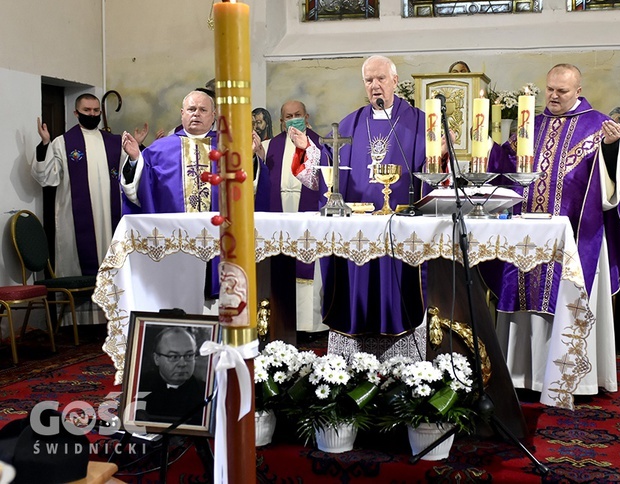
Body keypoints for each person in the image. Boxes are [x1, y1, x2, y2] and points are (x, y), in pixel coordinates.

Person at [485, 63, 620, 396]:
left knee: (566, 299)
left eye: (562, 91)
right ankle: (522, 376)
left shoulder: (599, 124)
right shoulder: (532, 124)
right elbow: (503, 165)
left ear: (578, 91)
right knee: (523, 298)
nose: (554, 96)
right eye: (550, 89)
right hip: (526, 236)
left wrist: (613, 147)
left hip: (577, 235)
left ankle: (571, 379)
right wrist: (484, 145)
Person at [289, 55, 429, 337]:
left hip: (400, 227)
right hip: (358, 228)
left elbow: (434, 170)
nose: (375, 86)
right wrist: (307, 149)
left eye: (381, 79)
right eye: (369, 80)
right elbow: (325, 174)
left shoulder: (419, 122)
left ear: (395, 81)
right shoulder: (349, 125)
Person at [33, 93, 148, 277]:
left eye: (96, 110)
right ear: (76, 113)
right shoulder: (63, 143)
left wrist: (138, 148)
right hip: (74, 217)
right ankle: (78, 305)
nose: (92, 114)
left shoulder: (115, 142)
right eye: (87, 110)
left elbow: (131, 174)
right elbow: (47, 177)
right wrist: (45, 143)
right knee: (78, 264)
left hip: (110, 215)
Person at [120, 89, 269, 214]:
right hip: (172, 234)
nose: (196, 114)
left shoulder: (231, 149)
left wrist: (250, 158)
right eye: (191, 109)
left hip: (220, 232)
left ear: (213, 116)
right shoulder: (158, 150)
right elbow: (141, 190)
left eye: (203, 110)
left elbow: (250, 189)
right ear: (182, 113)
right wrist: (134, 159)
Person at [262, 100, 326, 332]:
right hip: (279, 212)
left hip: (307, 214)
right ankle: (280, 320)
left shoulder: (319, 144)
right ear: (281, 121)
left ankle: (310, 326)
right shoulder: (269, 145)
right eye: (288, 116)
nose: (293, 119)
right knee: (280, 265)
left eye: (297, 114)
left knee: (308, 265)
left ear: (307, 117)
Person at [137, 326, 207, 424]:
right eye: (174, 356)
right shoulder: (138, 387)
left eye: (189, 355)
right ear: (157, 358)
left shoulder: (206, 393)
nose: (182, 364)